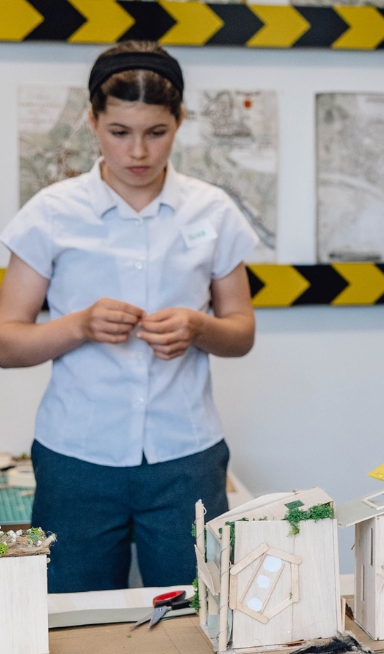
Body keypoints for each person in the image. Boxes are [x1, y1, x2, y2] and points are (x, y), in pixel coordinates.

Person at [0, 42, 258, 592]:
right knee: (73, 616)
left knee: (200, 612)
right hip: (76, 457)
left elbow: (241, 332)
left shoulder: (212, 210)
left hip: (186, 454)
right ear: (92, 120)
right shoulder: (50, 213)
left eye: (156, 132)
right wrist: (79, 325)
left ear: (180, 121)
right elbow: (5, 341)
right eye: (119, 132)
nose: (138, 151)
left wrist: (199, 327)